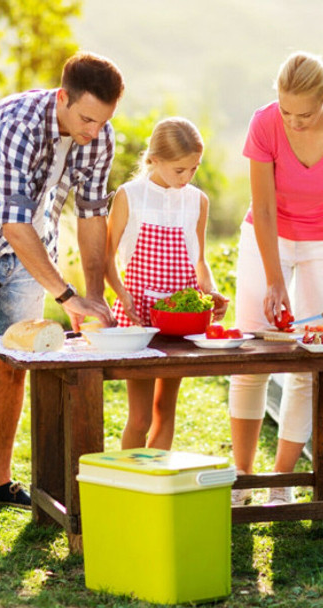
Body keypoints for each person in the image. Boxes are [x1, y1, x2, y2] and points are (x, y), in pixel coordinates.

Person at [0, 51, 124, 527]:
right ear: (62, 98)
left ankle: (0, 480)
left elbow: (93, 215)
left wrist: (93, 297)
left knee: (15, 365)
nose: (93, 132)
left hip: (33, 254)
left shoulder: (98, 136)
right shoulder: (18, 125)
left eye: (102, 122)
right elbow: (13, 225)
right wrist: (66, 296)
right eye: (86, 119)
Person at [229, 51, 323, 506]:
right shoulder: (265, 123)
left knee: (310, 356)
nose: (293, 122)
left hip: (320, 243)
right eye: (287, 111)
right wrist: (273, 280)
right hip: (266, 235)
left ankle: (282, 481)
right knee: (253, 354)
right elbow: (263, 207)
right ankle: (242, 477)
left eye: (305, 114)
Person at [105, 117, 228, 450]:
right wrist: (122, 295)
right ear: (154, 160)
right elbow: (107, 259)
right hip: (139, 319)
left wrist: (211, 292)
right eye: (179, 170)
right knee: (141, 417)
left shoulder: (197, 201)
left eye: (194, 169)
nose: (187, 178)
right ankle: (128, 483)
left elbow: (199, 261)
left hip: (181, 321)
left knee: (165, 410)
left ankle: (154, 488)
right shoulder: (130, 196)